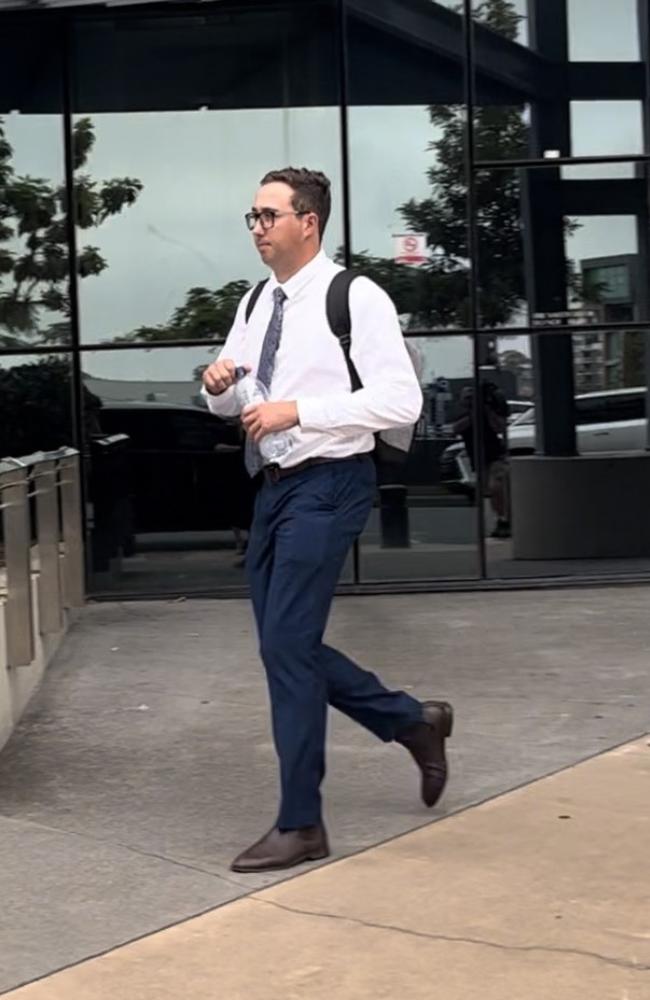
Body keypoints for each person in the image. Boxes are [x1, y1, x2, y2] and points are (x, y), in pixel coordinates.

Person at [202, 167, 453, 873]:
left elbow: (400, 401)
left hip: (333, 482)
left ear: (307, 221)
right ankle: (412, 720)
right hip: (274, 487)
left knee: (286, 643)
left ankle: (301, 823)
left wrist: (299, 410)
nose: (257, 227)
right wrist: (220, 384)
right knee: (287, 645)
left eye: (268, 215)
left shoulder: (356, 296)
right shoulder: (256, 301)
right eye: (251, 216)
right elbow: (236, 396)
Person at [451, 381, 511, 538]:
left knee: (496, 486)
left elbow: (500, 427)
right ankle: (499, 519)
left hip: (495, 454)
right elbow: (456, 428)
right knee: (486, 491)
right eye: (467, 397)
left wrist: (486, 410)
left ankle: (503, 520)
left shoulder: (487, 411)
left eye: (473, 397)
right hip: (478, 458)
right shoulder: (462, 413)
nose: (470, 400)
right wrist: (473, 414)